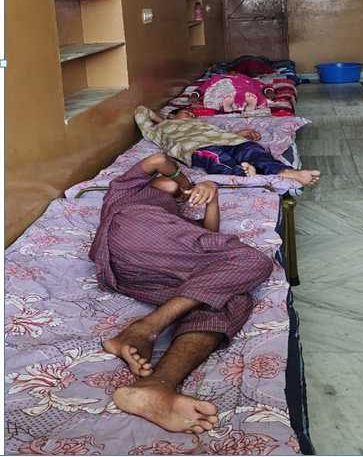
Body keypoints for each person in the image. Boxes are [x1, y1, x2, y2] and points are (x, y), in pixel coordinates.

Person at [89, 152, 273, 433]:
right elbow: (157, 160)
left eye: (181, 195)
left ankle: (157, 385)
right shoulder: (125, 190)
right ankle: (148, 327)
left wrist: (212, 195)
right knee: (253, 261)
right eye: (171, 183)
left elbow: (209, 236)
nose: (179, 191)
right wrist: (185, 182)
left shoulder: (174, 217)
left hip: (133, 274)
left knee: (228, 297)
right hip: (133, 232)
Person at [134, 105, 321, 186]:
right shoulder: (158, 130)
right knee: (218, 160)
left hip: (228, 140)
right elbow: (141, 111)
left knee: (253, 151)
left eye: (192, 114)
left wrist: (239, 134)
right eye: (186, 113)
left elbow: (216, 134)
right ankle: (246, 175)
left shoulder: (200, 123)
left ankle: (287, 172)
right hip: (197, 147)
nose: (191, 116)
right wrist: (163, 121)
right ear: (172, 115)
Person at [190, 72, 275, 113]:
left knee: (251, 94)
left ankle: (249, 106)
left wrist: (268, 91)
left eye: (235, 71)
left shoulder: (247, 79)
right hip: (226, 93)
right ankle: (227, 107)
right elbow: (203, 87)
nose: (232, 72)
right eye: (230, 71)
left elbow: (261, 85)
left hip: (244, 93)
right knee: (221, 94)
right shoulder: (218, 78)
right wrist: (195, 94)